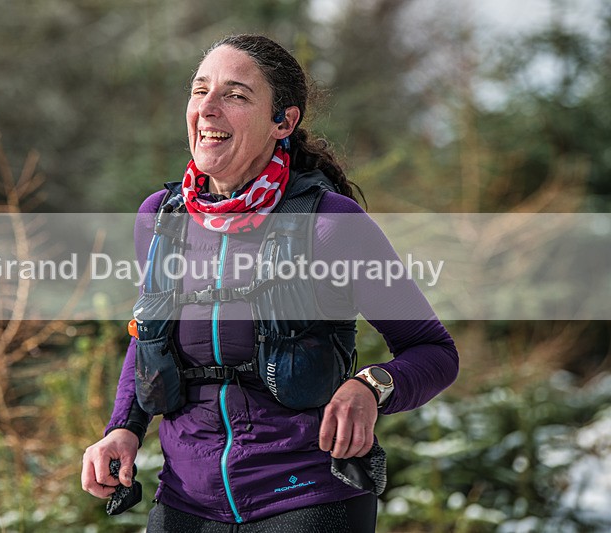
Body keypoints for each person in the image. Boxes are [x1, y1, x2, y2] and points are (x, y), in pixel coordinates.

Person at [82, 34, 458, 532]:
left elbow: (433, 350)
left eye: (235, 95)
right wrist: (123, 429)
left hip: (306, 500)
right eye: (199, 91)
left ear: (283, 121)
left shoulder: (329, 223)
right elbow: (149, 335)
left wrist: (371, 387)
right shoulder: (160, 217)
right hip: (185, 504)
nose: (208, 108)